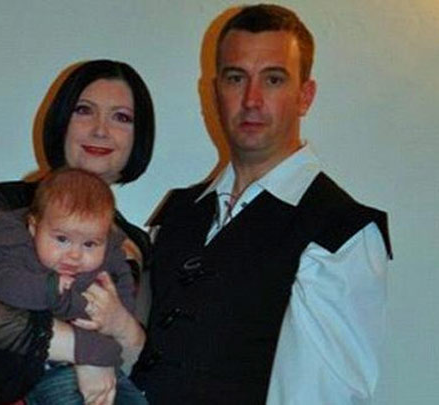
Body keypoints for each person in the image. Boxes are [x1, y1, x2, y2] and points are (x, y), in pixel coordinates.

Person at [130, 4, 393, 404]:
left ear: (305, 96)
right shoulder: (177, 212)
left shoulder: (340, 232)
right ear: (215, 92)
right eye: (236, 78)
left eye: (273, 79)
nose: (251, 100)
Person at [0, 59, 154, 405]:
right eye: (84, 111)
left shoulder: (137, 241)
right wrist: (82, 350)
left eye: (121, 117)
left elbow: (142, 361)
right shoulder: (4, 204)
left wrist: (122, 328)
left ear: (138, 137)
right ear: (61, 121)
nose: (100, 130)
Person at [0, 168, 146, 405]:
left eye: (89, 244)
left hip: (106, 369)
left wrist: (116, 318)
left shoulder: (111, 262)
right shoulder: (15, 249)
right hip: (43, 369)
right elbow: (3, 284)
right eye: (62, 239)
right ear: (34, 228)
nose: (74, 255)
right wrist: (50, 288)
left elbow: (124, 299)